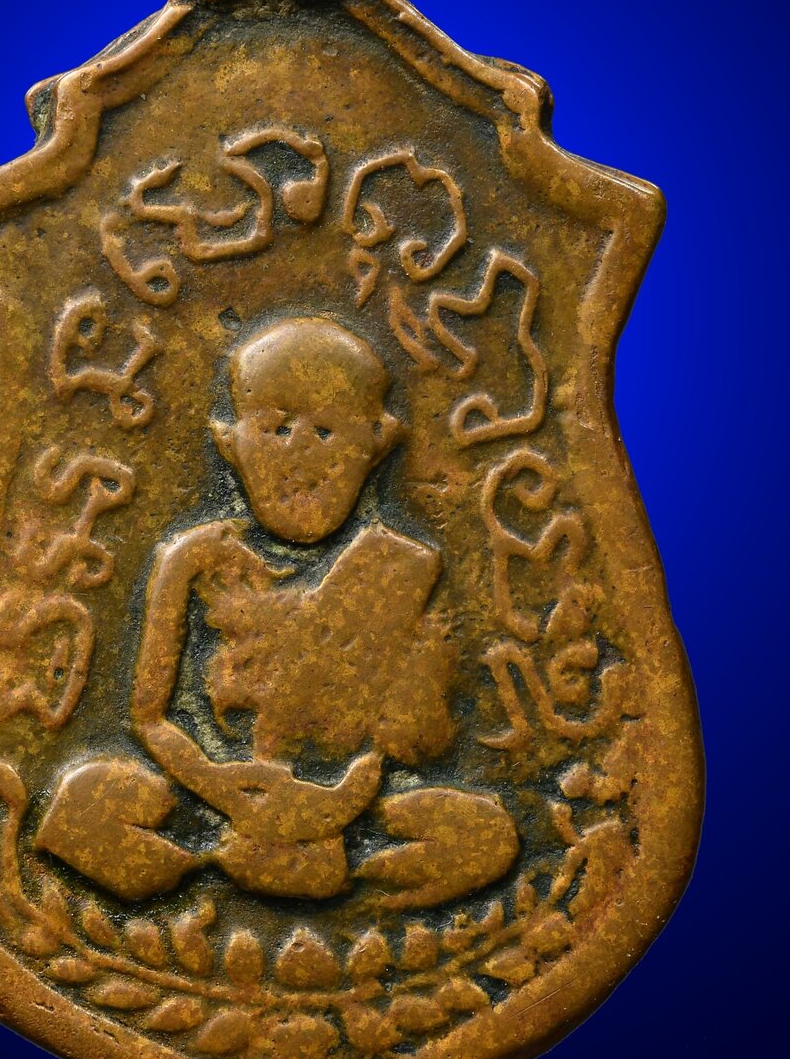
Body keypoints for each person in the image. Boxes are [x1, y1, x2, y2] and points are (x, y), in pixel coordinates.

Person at [40, 316, 518, 906]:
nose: (300, 451)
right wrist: (221, 787)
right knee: (81, 804)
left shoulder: (400, 565)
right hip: (212, 791)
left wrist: (335, 802)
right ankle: (221, 859)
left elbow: (401, 737)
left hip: (344, 804)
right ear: (230, 442)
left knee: (488, 835)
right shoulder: (190, 557)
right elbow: (150, 719)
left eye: (326, 432)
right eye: (278, 428)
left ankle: (345, 881)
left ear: (376, 443)